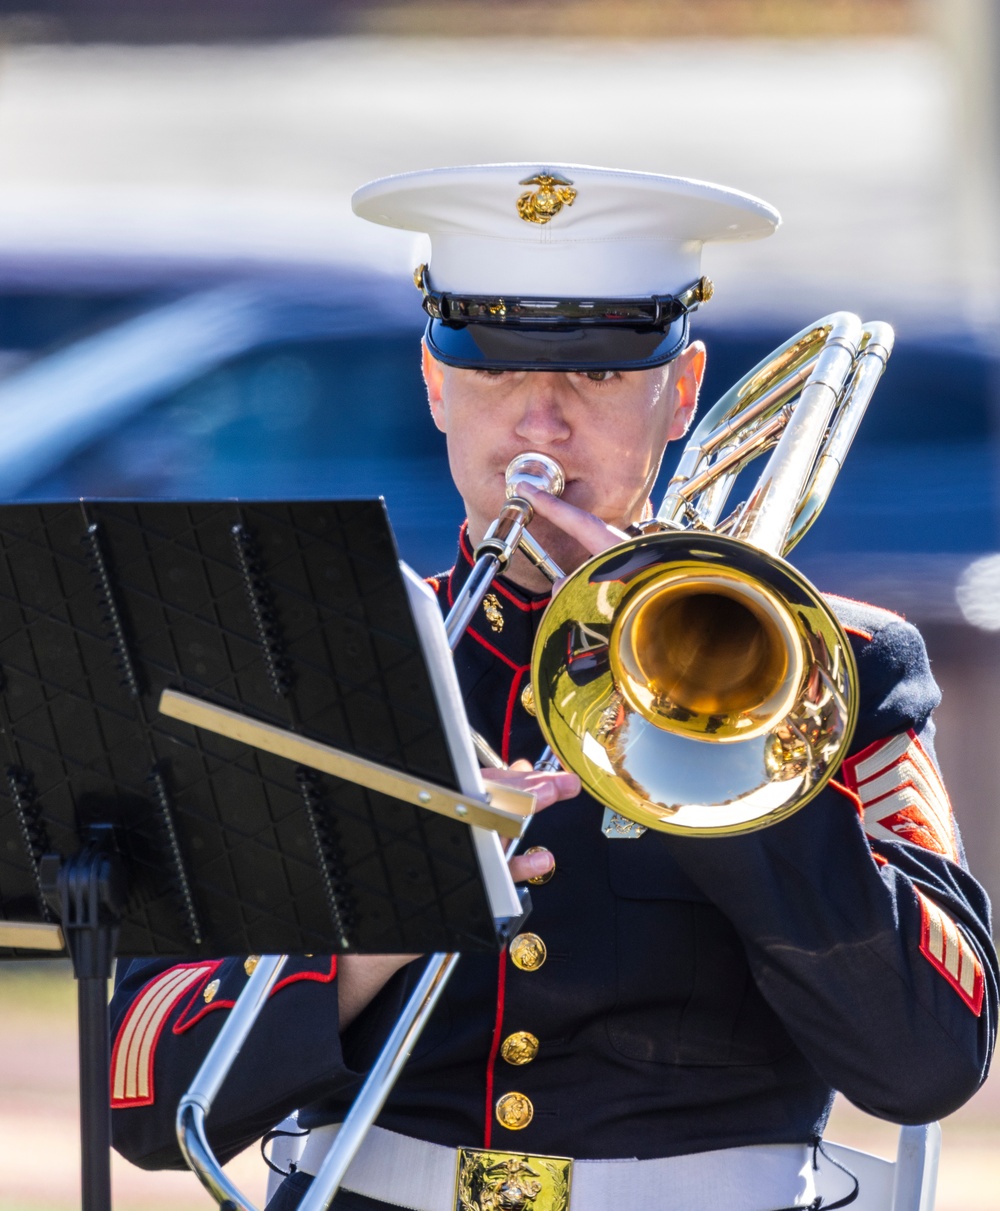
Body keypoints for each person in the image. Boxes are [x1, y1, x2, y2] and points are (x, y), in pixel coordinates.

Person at [110, 165, 997, 1211]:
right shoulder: (314, 661)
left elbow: (929, 1057)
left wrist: (717, 736)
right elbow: (147, 1092)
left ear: (681, 389)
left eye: (599, 376)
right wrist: (407, 895)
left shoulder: (840, 665)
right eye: (492, 373)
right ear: (436, 387)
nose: (539, 423)